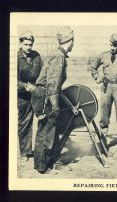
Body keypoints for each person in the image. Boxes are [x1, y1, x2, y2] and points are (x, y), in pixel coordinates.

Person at [33, 26, 74, 174]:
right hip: (46, 96)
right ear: (70, 41)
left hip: (44, 94)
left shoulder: (56, 54)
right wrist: (55, 105)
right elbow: (53, 82)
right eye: (73, 41)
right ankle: (42, 166)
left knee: (48, 129)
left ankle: (47, 162)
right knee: (47, 131)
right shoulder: (59, 56)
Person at [17, 30, 42, 161]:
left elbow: (42, 73)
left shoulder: (37, 56)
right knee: (25, 124)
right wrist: (25, 86)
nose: (28, 47)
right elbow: (11, 80)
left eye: (30, 44)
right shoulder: (15, 58)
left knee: (43, 121)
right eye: (26, 44)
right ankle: (25, 152)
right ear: (20, 43)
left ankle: (40, 150)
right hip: (23, 96)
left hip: (36, 93)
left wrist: (38, 86)